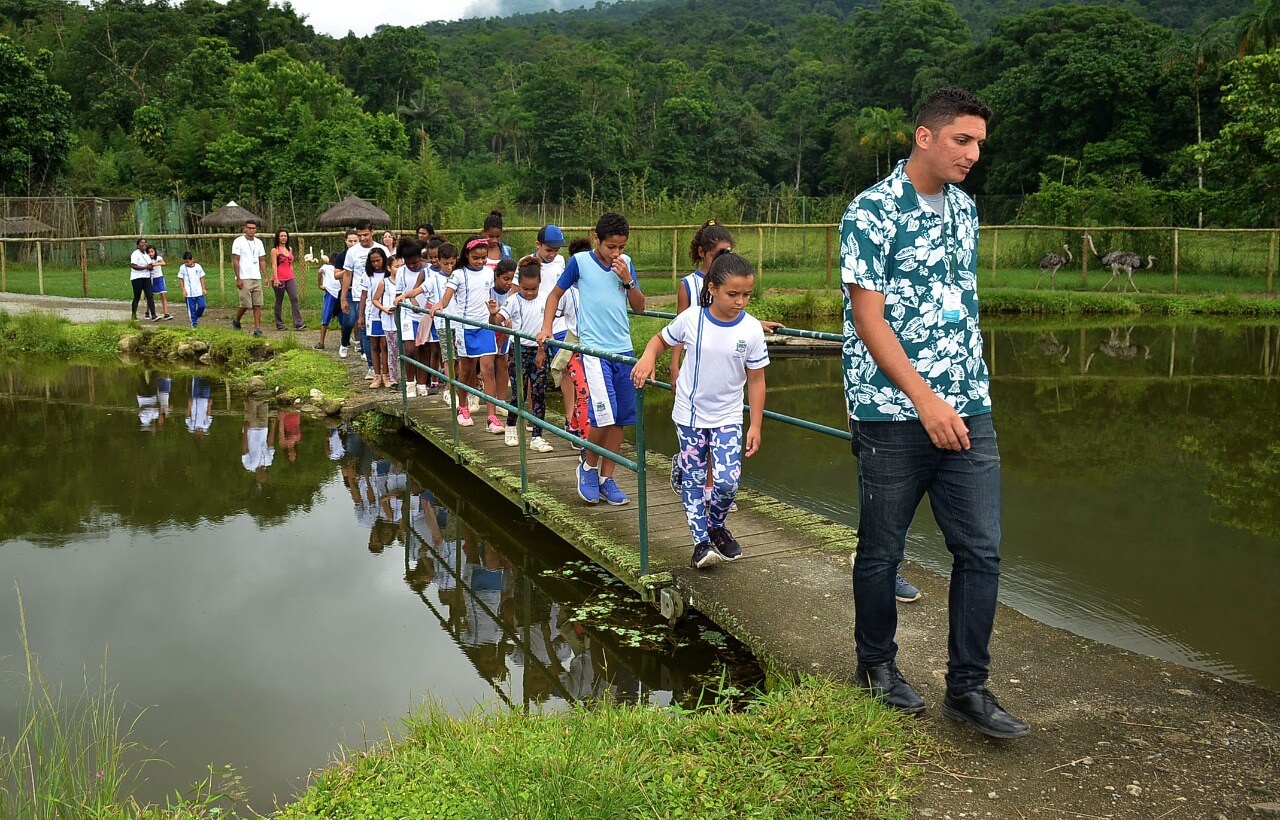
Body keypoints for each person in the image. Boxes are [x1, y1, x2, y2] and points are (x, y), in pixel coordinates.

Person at [841, 87, 1028, 739]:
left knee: (981, 551)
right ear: (924, 136)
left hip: (966, 414)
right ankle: (874, 666)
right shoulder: (870, 213)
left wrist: (967, 395)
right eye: (963, 140)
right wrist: (925, 400)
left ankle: (968, 689)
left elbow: (958, 311)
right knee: (881, 549)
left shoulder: (966, 214)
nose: (974, 153)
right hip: (893, 413)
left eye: (979, 143)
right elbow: (870, 319)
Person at [632, 252, 768, 569]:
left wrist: (756, 425)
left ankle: (716, 525)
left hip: (729, 417)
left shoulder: (751, 329)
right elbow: (659, 341)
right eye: (732, 294)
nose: (740, 301)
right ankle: (701, 543)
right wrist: (649, 357)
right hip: (691, 416)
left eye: (746, 294)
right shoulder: (691, 319)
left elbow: (757, 380)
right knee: (695, 480)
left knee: (727, 483)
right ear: (713, 288)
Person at [538, 212, 645, 506]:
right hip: (594, 350)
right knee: (603, 414)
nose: (617, 253)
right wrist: (547, 327)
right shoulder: (580, 262)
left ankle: (606, 478)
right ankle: (588, 465)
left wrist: (627, 280)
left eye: (622, 247)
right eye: (611, 246)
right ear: (597, 239)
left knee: (621, 418)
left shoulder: (626, 265)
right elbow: (554, 295)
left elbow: (639, 307)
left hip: (623, 350)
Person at [431, 237, 498, 428]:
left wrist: (496, 311)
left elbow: (490, 295)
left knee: (488, 369)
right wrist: (439, 306)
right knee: (467, 370)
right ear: (466, 256)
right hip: (465, 328)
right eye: (475, 258)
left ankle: (491, 416)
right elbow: (446, 298)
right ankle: (462, 406)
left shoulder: (488, 273)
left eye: (483, 258)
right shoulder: (458, 274)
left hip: (484, 326)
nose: (480, 262)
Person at [496, 258, 553, 452]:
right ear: (519, 284)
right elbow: (497, 320)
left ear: (539, 285)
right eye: (525, 289)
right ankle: (511, 425)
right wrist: (493, 313)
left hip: (539, 349)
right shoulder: (513, 301)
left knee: (539, 393)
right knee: (519, 392)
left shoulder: (546, 299)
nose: (529, 293)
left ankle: (537, 435)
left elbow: (549, 326)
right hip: (518, 350)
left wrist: (542, 351)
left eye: (533, 289)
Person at [339, 220, 389, 371]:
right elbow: (348, 274)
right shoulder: (352, 251)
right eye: (359, 235)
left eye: (365, 235)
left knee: (382, 333)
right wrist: (343, 298)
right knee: (364, 331)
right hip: (359, 296)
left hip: (381, 297)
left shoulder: (382, 249)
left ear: (372, 232)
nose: (362, 239)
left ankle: (385, 367)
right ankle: (372, 366)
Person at [486, 259, 517, 433]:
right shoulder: (488, 290)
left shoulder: (512, 294)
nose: (509, 283)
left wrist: (503, 337)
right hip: (489, 326)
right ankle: (481, 398)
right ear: (496, 276)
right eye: (505, 279)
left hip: (505, 329)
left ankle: (501, 400)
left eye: (512, 279)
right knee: (487, 365)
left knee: (503, 363)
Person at [232, 219, 267, 337]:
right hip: (244, 276)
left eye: (254, 228)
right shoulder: (238, 241)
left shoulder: (259, 242)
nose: (251, 230)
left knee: (257, 304)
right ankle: (236, 320)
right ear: (245, 228)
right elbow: (236, 260)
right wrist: (238, 277)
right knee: (246, 304)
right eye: (249, 228)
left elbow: (262, 260)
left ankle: (257, 329)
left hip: (256, 276)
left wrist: (266, 276)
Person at [363, 247, 392, 389]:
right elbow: (364, 295)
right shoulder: (368, 275)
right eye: (373, 261)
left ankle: (386, 374)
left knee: (384, 345)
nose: (376, 264)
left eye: (378, 260)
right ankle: (377, 375)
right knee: (374, 345)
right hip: (372, 314)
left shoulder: (389, 275)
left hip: (386, 313)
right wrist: (360, 315)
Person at [270, 229, 304, 331]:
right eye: (281, 236)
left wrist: (292, 274)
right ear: (278, 237)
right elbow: (274, 264)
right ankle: (279, 324)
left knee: (294, 298)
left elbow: (290, 264)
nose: (283, 238)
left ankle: (298, 323)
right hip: (279, 278)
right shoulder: (275, 250)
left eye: (285, 236)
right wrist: (276, 278)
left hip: (289, 277)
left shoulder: (289, 249)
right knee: (279, 300)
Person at [333, 230, 359, 357]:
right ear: (346, 241)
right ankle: (344, 343)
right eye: (350, 241)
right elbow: (336, 275)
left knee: (362, 321)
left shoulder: (363, 254)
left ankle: (363, 349)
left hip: (362, 291)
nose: (353, 243)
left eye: (355, 241)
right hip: (348, 291)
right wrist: (347, 270)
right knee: (349, 321)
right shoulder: (342, 256)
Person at [315, 253, 341, 350]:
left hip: (331, 293)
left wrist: (320, 284)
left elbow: (319, 272)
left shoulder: (325, 267)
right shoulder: (339, 268)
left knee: (325, 319)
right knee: (343, 319)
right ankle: (345, 341)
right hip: (338, 293)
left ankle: (321, 342)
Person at [129, 238, 157, 322]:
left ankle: (154, 315)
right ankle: (133, 316)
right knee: (137, 296)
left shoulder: (146, 254)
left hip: (146, 277)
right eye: (142, 242)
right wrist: (145, 267)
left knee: (150, 295)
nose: (144, 244)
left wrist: (150, 267)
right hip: (137, 278)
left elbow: (149, 265)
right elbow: (133, 265)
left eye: (145, 242)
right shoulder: (135, 254)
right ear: (138, 245)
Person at [178, 251, 207, 327]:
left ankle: (196, 316)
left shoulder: (198, 267)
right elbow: (180, 279)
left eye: (188, 262)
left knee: (202, 306)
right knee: (191, 309)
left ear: (192, 260)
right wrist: (183, 290)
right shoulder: (182, 268)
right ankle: (193, 324)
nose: (186, 263)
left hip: (199, 291)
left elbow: (202, 278)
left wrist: (203, 288)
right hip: (189, 293)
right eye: (185, 262)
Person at [146, 245, 173, 320]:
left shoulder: (158, 258)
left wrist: (155, 264)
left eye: (152, 251)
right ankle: (147, 312)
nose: (150, 253)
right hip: (151, 279)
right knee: (150, 296)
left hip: (159, 278)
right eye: (148, 252)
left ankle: (166, 313)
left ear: (155, 252)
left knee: (163, 295)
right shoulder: (146, 259)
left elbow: (163, 263)